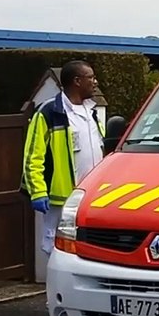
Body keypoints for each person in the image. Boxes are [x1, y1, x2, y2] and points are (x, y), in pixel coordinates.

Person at [21, 60, 106, 255]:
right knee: (56, 248)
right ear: (77, 81)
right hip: (60, 199)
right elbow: (33, 156)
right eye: (91, 77)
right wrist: (38, 192)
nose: (95, 82)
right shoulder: (50, 112)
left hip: (91, 196)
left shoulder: (92, 112)